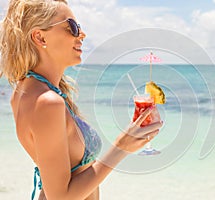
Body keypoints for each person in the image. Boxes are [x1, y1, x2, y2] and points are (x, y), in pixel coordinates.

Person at [0, 0, 163, 199]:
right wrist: (121, 147)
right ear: (40, 37)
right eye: (72, 27)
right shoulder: (47, 102)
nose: (82, 35)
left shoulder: (28, 90)